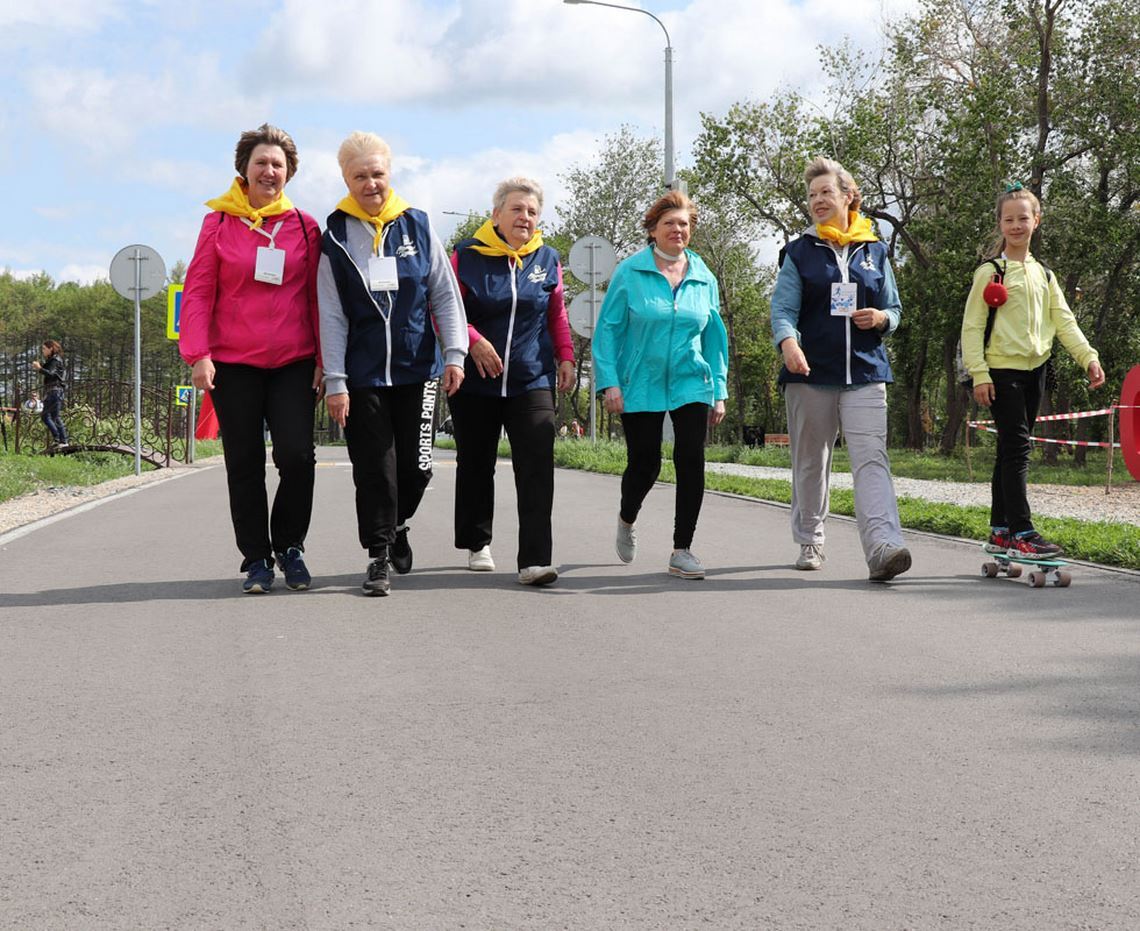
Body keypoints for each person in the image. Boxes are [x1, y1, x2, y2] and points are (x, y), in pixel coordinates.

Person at [318, 131, 468, 596]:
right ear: (346, 179)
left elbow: (444, 293)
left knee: (418, 467)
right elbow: (331, 313)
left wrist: (455, 353)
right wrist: (337, 380)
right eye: (359, 176)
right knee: (374, 469)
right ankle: (378, 555)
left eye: (377, 173)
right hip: (362, 375)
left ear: (390, 174)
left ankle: (398, 523)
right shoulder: (336, 237)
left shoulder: (419, 225)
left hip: (417, 368)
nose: (370, 184)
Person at [180, 123, 323, 594]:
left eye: (277, 165)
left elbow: (317, 300)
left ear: (289, 174)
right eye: (260, 162)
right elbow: (198, 292)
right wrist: (198, 354)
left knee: (298, 456)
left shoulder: (304, 226)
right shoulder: (218, 222)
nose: (269, 171)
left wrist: (325, 359)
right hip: (233, 364)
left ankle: (290, 546)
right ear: (243, 169)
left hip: (293, 361)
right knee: (243, 463)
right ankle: (257, 557)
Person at [770, 156, 911, 581]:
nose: (817, 200)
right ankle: (810, 538)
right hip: (810, 375)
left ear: (849, 197)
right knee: (812, 461)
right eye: (812, 195)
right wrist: (789, 344)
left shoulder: (875, 248)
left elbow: (896, 308)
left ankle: (883, 547)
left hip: (866, 372)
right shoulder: (798, 252)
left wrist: (883, 319)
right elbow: (782, 310)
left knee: (872, 459)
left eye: (826, 192)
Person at [961, 184, 1105, 556]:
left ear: (1036, 221)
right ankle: (1023, 533)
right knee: (1019, 448)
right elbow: (973, 326)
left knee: (1009, 450)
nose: (1016, 225)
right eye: (1008, 219)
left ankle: (999, 530)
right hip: (1000, 372)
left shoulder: (1045, 275)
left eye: (1023, 217)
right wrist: (979, 373)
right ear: (999, 224)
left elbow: (1065, 322)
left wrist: (1088, 357)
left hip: (1036, 370)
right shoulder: (990, 272)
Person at [592, 190, 729, 581]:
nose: (678, 230)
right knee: (645, 462)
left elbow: (714, 338)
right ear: (653, 230)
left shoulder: (704, 277)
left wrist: (718, 388)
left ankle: (682, 549)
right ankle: (627, 517)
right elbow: (609, 331)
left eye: (684, 223)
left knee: (691, 458)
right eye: (669, 223)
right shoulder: (630, 273)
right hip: (641, 380)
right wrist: (610, 383)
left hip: (691, 378)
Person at [449, 177, 575, 586]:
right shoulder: (467, 255)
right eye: (517, 209)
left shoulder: (547, 258)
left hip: (531, 377)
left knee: (537, 461)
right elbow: (445, 309)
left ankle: (535, 560)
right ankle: (476, 541)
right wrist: (473, 341)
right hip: (476, 380)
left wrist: (567, 356)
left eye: (532, 211)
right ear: (497, 214)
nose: (525, 217)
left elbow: (556, 313)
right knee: (476, 462)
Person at [32, 340, 68, 446]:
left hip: (55, 391)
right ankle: (59, 439)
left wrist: (39, 368)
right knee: (47, 416)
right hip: (52, 391)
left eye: (44, 348)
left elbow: (51, 374)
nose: (42, 351)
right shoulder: (52, 360)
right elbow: (49, 371)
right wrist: (40, 367)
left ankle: (63, 440)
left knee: (54, 417)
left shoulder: (55, 360)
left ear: (50, 348)